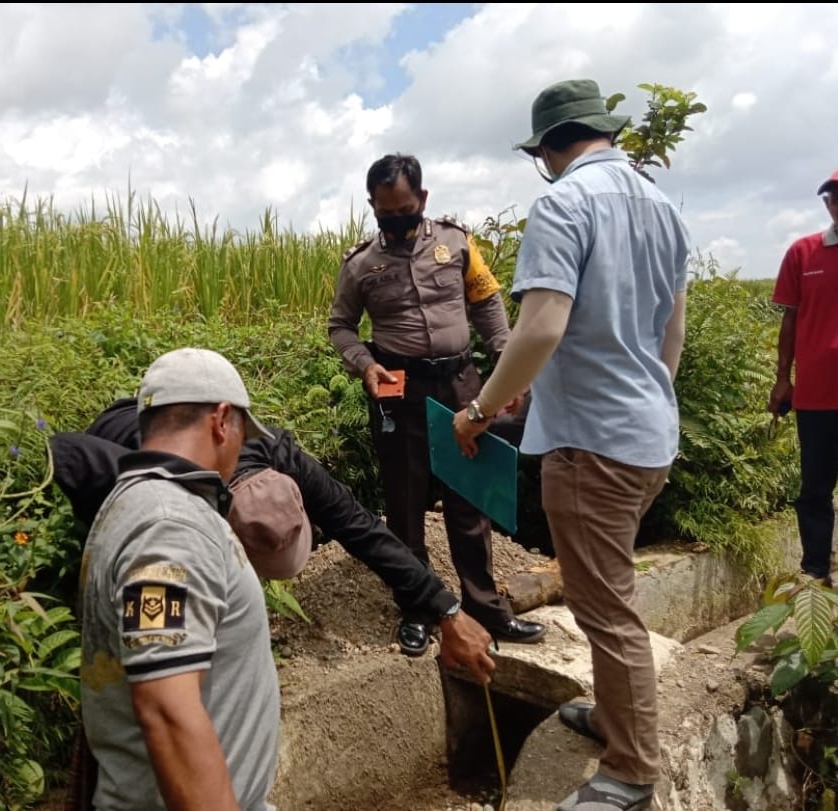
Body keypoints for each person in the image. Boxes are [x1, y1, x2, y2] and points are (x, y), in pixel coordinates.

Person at [451, 79, 690, 811]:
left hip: (592, 444)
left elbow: (544, 324)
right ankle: (619, 718)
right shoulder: (663, 206)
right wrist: (641, 399)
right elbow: (668, 334)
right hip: (647, 432)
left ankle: (628, 769)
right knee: (609, 589)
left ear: (549, 149)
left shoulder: (563, 201)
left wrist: (482, 408)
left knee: (605, 608)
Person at [53, 396, 497, 670]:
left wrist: (447, 609)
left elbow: (361, 527)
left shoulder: (278, 453)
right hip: (126, 423)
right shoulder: (167, 499)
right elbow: (64, 448)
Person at [327, 152, 547, 652]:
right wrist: (365, 365)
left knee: (469, 500)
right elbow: (340, 326)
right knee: (404, 505)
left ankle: (487, 610)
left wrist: (504, 361)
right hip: (397, 390)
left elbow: (487, 303)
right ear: (372, 207)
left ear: (422, 200)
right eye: (385, 213)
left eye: (404, 209)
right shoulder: (361, 264)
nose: (396, 220)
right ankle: (417, 610)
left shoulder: (457, 243)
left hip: (460, 384)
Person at [77, 347, 280, 810]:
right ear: (221, 420)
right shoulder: (169, 525)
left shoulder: (137, 505)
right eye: (243, 435)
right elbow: (167, 711)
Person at [768, 169, 838, 588]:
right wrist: (782, 379)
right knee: (814, 489)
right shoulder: (803, 253)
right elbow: (790, 321)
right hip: (816, 394)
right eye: (830, 198)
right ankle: (815, 575)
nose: (834, 204)